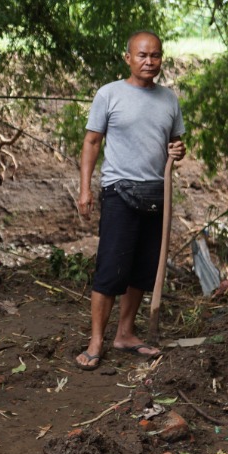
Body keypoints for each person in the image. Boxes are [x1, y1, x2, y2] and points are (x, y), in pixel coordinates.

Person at [75, 31, 186, 371]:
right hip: (120, 190)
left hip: (157, 193)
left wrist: (178, 151)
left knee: (144, 269)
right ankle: (96, 340)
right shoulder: (109, 94)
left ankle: (125, 333)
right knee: (110, 269)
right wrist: (85, 188)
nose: (149, 61)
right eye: (142, 55)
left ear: (161, 59)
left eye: (155, 56)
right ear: (128, 58)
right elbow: (92, 141)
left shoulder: (169, 100)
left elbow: (176, 144)